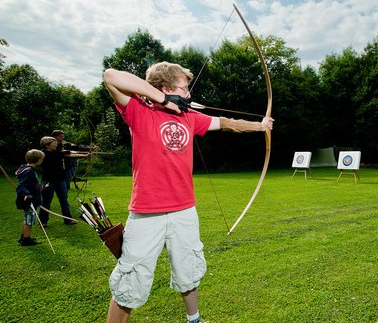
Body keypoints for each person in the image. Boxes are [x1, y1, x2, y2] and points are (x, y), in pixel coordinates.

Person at [103, 61, 273, 323]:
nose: (189, 94)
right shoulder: (138, 110)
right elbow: (111, 76)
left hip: (184, 209)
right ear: (166, 88)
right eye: (184, 89)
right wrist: (163, 99)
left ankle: (194, 319)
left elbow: (226, 123)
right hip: (147, 212)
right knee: (131, 277)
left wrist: (260, 126)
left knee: (188, 268)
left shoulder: (189, 117)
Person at [38, 136, 83, 226]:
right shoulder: (41, 154)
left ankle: (68, 220)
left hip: (60, 181)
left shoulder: (58, 153)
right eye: (53, 142)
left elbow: (71, 155)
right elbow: (32, 159)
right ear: (47, 145)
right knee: (46, 202)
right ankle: (43, 222)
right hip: (47, 181)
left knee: (64, 201)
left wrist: (85, 155)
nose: (56, 143)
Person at [15, 149, 45, 246]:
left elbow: (29, 184)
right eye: (41, 159)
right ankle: (26, 240)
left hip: (30, 199)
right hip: (29, 201)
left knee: (27, 219)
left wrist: (39, 187)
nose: (42, 160)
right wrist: (28, 195)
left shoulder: (25, 168)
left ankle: (24, 237)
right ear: (38, 160)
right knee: (29, 220)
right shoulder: (29, 171)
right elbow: (21, 186)